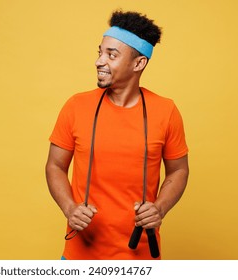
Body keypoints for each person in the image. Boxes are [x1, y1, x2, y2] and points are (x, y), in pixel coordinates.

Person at [45, 10, 189, 260]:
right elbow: (55, 166)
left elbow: (179, 170)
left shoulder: (166, 111)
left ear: (138, 63)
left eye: (111, 55)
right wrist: (69, 208)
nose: (99, 61)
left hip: (140, 255)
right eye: (100, 52)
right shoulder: (76, 106)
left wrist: (160, 208)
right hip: (80, 256)